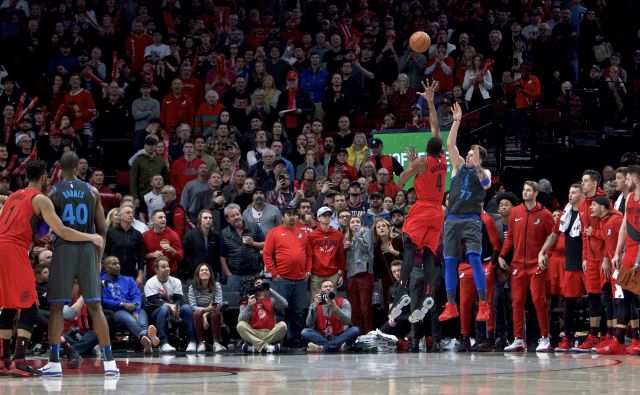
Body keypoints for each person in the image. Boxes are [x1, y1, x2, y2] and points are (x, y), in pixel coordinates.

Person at [0, 160, 103, 377]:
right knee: (30, 306)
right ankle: (19, 362)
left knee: (9, 307)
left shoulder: (13, 195)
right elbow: (63, 231)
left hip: (3, 247)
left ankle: (4, 360)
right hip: (14, 251)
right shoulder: (40, 199)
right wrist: (91, 236)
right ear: (45, 177)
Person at [40, 152, 118, 377]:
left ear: (59, 168)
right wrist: (99, 256)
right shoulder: (92, 191)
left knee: (56, 307)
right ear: (78, 167)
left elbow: (43, 226)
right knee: (95, 307)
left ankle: (54, 362)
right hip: (88, 251)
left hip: (64, 248)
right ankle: (110, 362)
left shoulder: (53, 191)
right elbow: (102, 228)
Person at [393, 79, 447, 323]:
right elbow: (436, 129)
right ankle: (427, 294)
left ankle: (401, 292)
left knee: (409, 247)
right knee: (427, 253)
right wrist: (430, 103)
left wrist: (411, 165)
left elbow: (401, 179)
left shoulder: (422, 162)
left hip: (423, 208)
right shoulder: (442, 160)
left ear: (426, 149)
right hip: (438, 212)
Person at [439, 102, 492, 323]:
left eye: (473, 154)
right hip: (452, 218)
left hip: (471, 218)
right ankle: (451, 304)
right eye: (469, 153)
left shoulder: (484, 170)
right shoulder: (458, 166)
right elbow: (450, 144)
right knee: (450, 260)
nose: (469, 156)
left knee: (473, 257)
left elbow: (486, 183)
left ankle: (483, 303)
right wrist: (457, 121)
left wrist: (478, 164)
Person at [499, 181, 555, 352]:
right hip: (517, 265)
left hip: (535, 265)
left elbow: (553, 236)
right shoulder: (515, 212)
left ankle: (545, 337)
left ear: (536, 193)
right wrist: (502, 255)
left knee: (539, 300)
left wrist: (545, 255)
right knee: (516, 302)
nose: (525, 193)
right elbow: (510, 238)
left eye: (528, 190)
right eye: (523, 190)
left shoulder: (545, 214)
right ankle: (518, 339)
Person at [539, 183, 584, 351]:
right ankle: (567, 338)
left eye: (574, 192)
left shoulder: (586, 211)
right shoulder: (565, 213)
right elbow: (554, 234)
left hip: (586, 261)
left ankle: (600, 336)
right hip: (571, 263)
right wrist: (542, 252)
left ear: (582, 195)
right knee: (568, 302)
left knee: (598, 299)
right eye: (569, 192)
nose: (570, 195)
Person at [263, 205, 311, 347]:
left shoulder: (302, 233)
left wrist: (308, 271)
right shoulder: (274, 232)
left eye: (294, 214)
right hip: (281, 280)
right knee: (280, 311)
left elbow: (309, 254)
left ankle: (294, 339)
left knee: (297, 312)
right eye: (288, 214)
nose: (292, 217)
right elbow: (267, 254)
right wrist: (274, 273)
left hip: (300, 280)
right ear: (282, 216)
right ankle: (278, 340)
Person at [590, 196, 627, 355]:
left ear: (603, 207)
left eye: (594, 205)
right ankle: (613, 337)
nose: (591, 208)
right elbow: (608, 243)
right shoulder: (604, 221)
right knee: (613, 301)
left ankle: (630, 338)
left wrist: (623, 258)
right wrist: (606, 258)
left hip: (624, 266)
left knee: (625, 301)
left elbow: (627, 239)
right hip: (614, 268)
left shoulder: (616, 220)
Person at [100, 256, 159, 354]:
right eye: (114, 264)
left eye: (118, 263)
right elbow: (104, 300)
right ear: (106, 267)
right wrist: (122, 304)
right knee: (130, 320)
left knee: (142, 322)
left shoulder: (128, 280)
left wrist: (135, 309)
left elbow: (137, 296)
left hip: (135, 308)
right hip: (117, 311)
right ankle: (148, 337)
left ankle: (147, 346)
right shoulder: (101, 281)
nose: (118, 266)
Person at [144, 256, 197, 353]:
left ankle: (192, 341)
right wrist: (170, 306)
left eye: (167, 266)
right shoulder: (150, 283)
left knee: (186, 308)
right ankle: (164, 343)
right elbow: (154, 301)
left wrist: (176, 308)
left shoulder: (176, 281)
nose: (167, 269)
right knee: (164, 309)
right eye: (163, 267)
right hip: (155, 311)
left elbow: (179, 299)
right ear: (156, 269)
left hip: (173, 308)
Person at [302, 279, 360, 353]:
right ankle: (338, 346)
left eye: (331, 286)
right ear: (320, 290)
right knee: (305, 332)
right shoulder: (316, 303)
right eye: (325, 287)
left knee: (355, 330)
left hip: (340, 335)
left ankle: (323, 348)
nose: (328, 288)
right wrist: (314, 307)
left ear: (334, 289)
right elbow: (309, 324)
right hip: (323, 336)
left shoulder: (344, 302)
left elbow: (347, 321)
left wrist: (334, 308)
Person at [220, 203, 265, 291]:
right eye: (232, 216)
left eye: (237, 214)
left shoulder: (254, 227)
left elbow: (265, 245)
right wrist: (229, 274)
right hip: (235, 277)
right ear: (228, 219)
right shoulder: (224, 233)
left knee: (255, 303)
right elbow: (222, 256)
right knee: (235, 303)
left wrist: (253, 244)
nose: (236, 217)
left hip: (254, 275)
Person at [236, 276, 288, 353]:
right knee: (240, 325)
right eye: (257, 283)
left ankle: (255, 347)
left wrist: (271, 291)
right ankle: (266, 347)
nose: (260, 285)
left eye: (262, 283)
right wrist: (249, 306)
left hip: (269, 333)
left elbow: (285, 304)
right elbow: (241, 320)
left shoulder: (271, 300)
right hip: (253, 332)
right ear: (253, 287)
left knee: (283, 325)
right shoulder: (246, 302)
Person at [308, 206, 346, 303]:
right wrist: (309, 271)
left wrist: (341, 273)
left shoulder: (338, 235)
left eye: (329, 215)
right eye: (324, 215)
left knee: (331, 302)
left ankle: (330, 319)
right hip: (316, 274)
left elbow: (341, 255)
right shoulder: (312, 235)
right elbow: (309, 255)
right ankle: (316, 319)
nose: (327, 217)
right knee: (316, 302)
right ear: (318, 218)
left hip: (333, 274)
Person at [344, 216, 375, 334]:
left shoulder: (365, 232)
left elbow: (366, 248)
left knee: (365, 308)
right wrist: (344, 248)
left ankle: (369, 334)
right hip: (351, 275)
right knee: (354, 308)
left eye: (358, 222)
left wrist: (357, 233)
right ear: (348, 225)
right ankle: (356, 335)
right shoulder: (347, 237)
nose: (355, 224)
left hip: (364, 273)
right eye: (352, 222)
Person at [188, 263, 225, 353]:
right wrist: (205, 310)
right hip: (199, 313)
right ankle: (201, 344)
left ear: (210, 273)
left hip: (212, 312)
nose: (204, 271)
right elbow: (193, 307)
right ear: (198, 274)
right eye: (202, 270)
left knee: (216, 312)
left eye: (206, 270)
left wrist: (205, 314)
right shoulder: (192, 287)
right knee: (196, 313)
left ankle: (216, 343)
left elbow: (218, 304)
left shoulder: (216, 285)